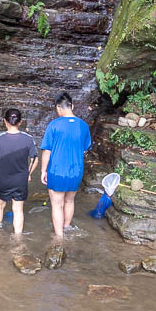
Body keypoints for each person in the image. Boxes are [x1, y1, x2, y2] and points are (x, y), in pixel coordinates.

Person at [39, 91, 92, 239]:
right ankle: (67, 227)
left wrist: (43, 170)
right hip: (76, 172)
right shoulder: (83, 126)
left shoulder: (54, 125)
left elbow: (47, 151)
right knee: (69, 200)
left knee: (57, 205)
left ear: (58, 107)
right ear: (72, 106)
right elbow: (85, 148)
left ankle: (59, 238)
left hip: (56, 171)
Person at [0, 108, 38, 235]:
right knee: (18, 210)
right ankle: (18, 238)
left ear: (5, 121)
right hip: (20, 180)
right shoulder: (28, 139)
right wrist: (28, 174)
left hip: (2, 179)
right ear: (20, 122)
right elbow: (35, 160)